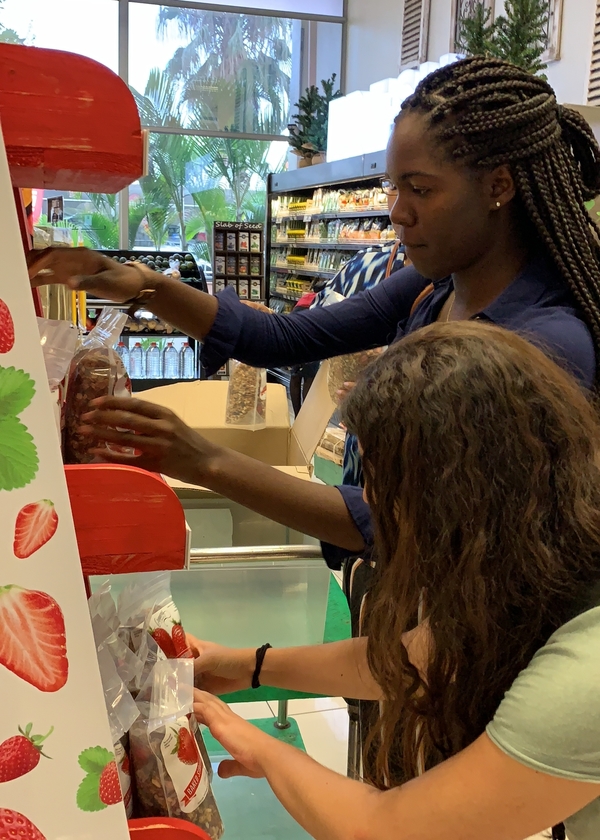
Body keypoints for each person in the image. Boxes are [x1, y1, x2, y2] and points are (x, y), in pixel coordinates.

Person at [28, 57, 600, 572]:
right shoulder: (433, 287)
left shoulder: (545, 347)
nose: (398, 214)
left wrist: (200, 460)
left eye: (421, 190)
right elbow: (287, 336)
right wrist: (147, 286)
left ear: (499, 186)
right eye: (394, 187)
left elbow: (394, 522)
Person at [181, 324, 599, 840]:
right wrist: (244, 665)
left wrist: (257, 745)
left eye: (389, 490)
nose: (373, 505)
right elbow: (415, 660)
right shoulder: (551, 554)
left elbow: (386, 828)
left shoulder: (587, 671)